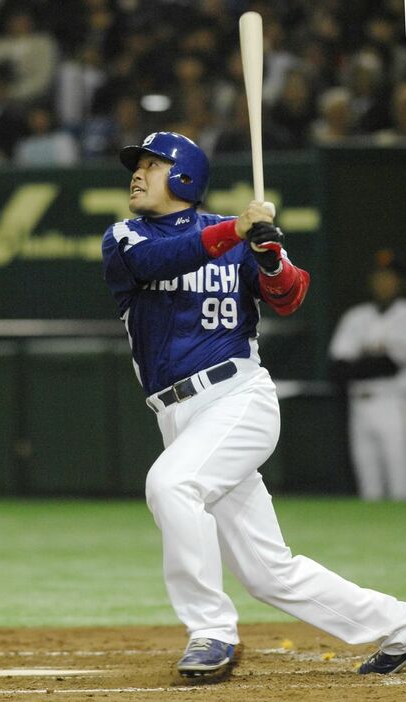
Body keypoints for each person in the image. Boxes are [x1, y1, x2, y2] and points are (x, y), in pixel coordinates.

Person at [102, 131, 406, 678]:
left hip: (236, 397)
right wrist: (235, 232)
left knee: (172, 485)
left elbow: (291, 295)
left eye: (153, 163)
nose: (139, 173)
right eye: (138, 164)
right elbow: (159, 261)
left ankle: (211, 631)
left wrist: (268, 257)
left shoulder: (239, 237)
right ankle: (400, 625)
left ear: (185, 175)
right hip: (179, 416)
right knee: (269, 573)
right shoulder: (126, 236)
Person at [328, 250, 406, 501]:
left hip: (394, 403)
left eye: (389, 277)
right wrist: (374, 358)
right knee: (368, 483)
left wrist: (364, 359)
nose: (383, 282)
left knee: (399, 482)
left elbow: (389, 365)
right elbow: (339, 367)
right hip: (358, 403)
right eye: (379, 277)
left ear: (399, 281)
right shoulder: (356, 316)